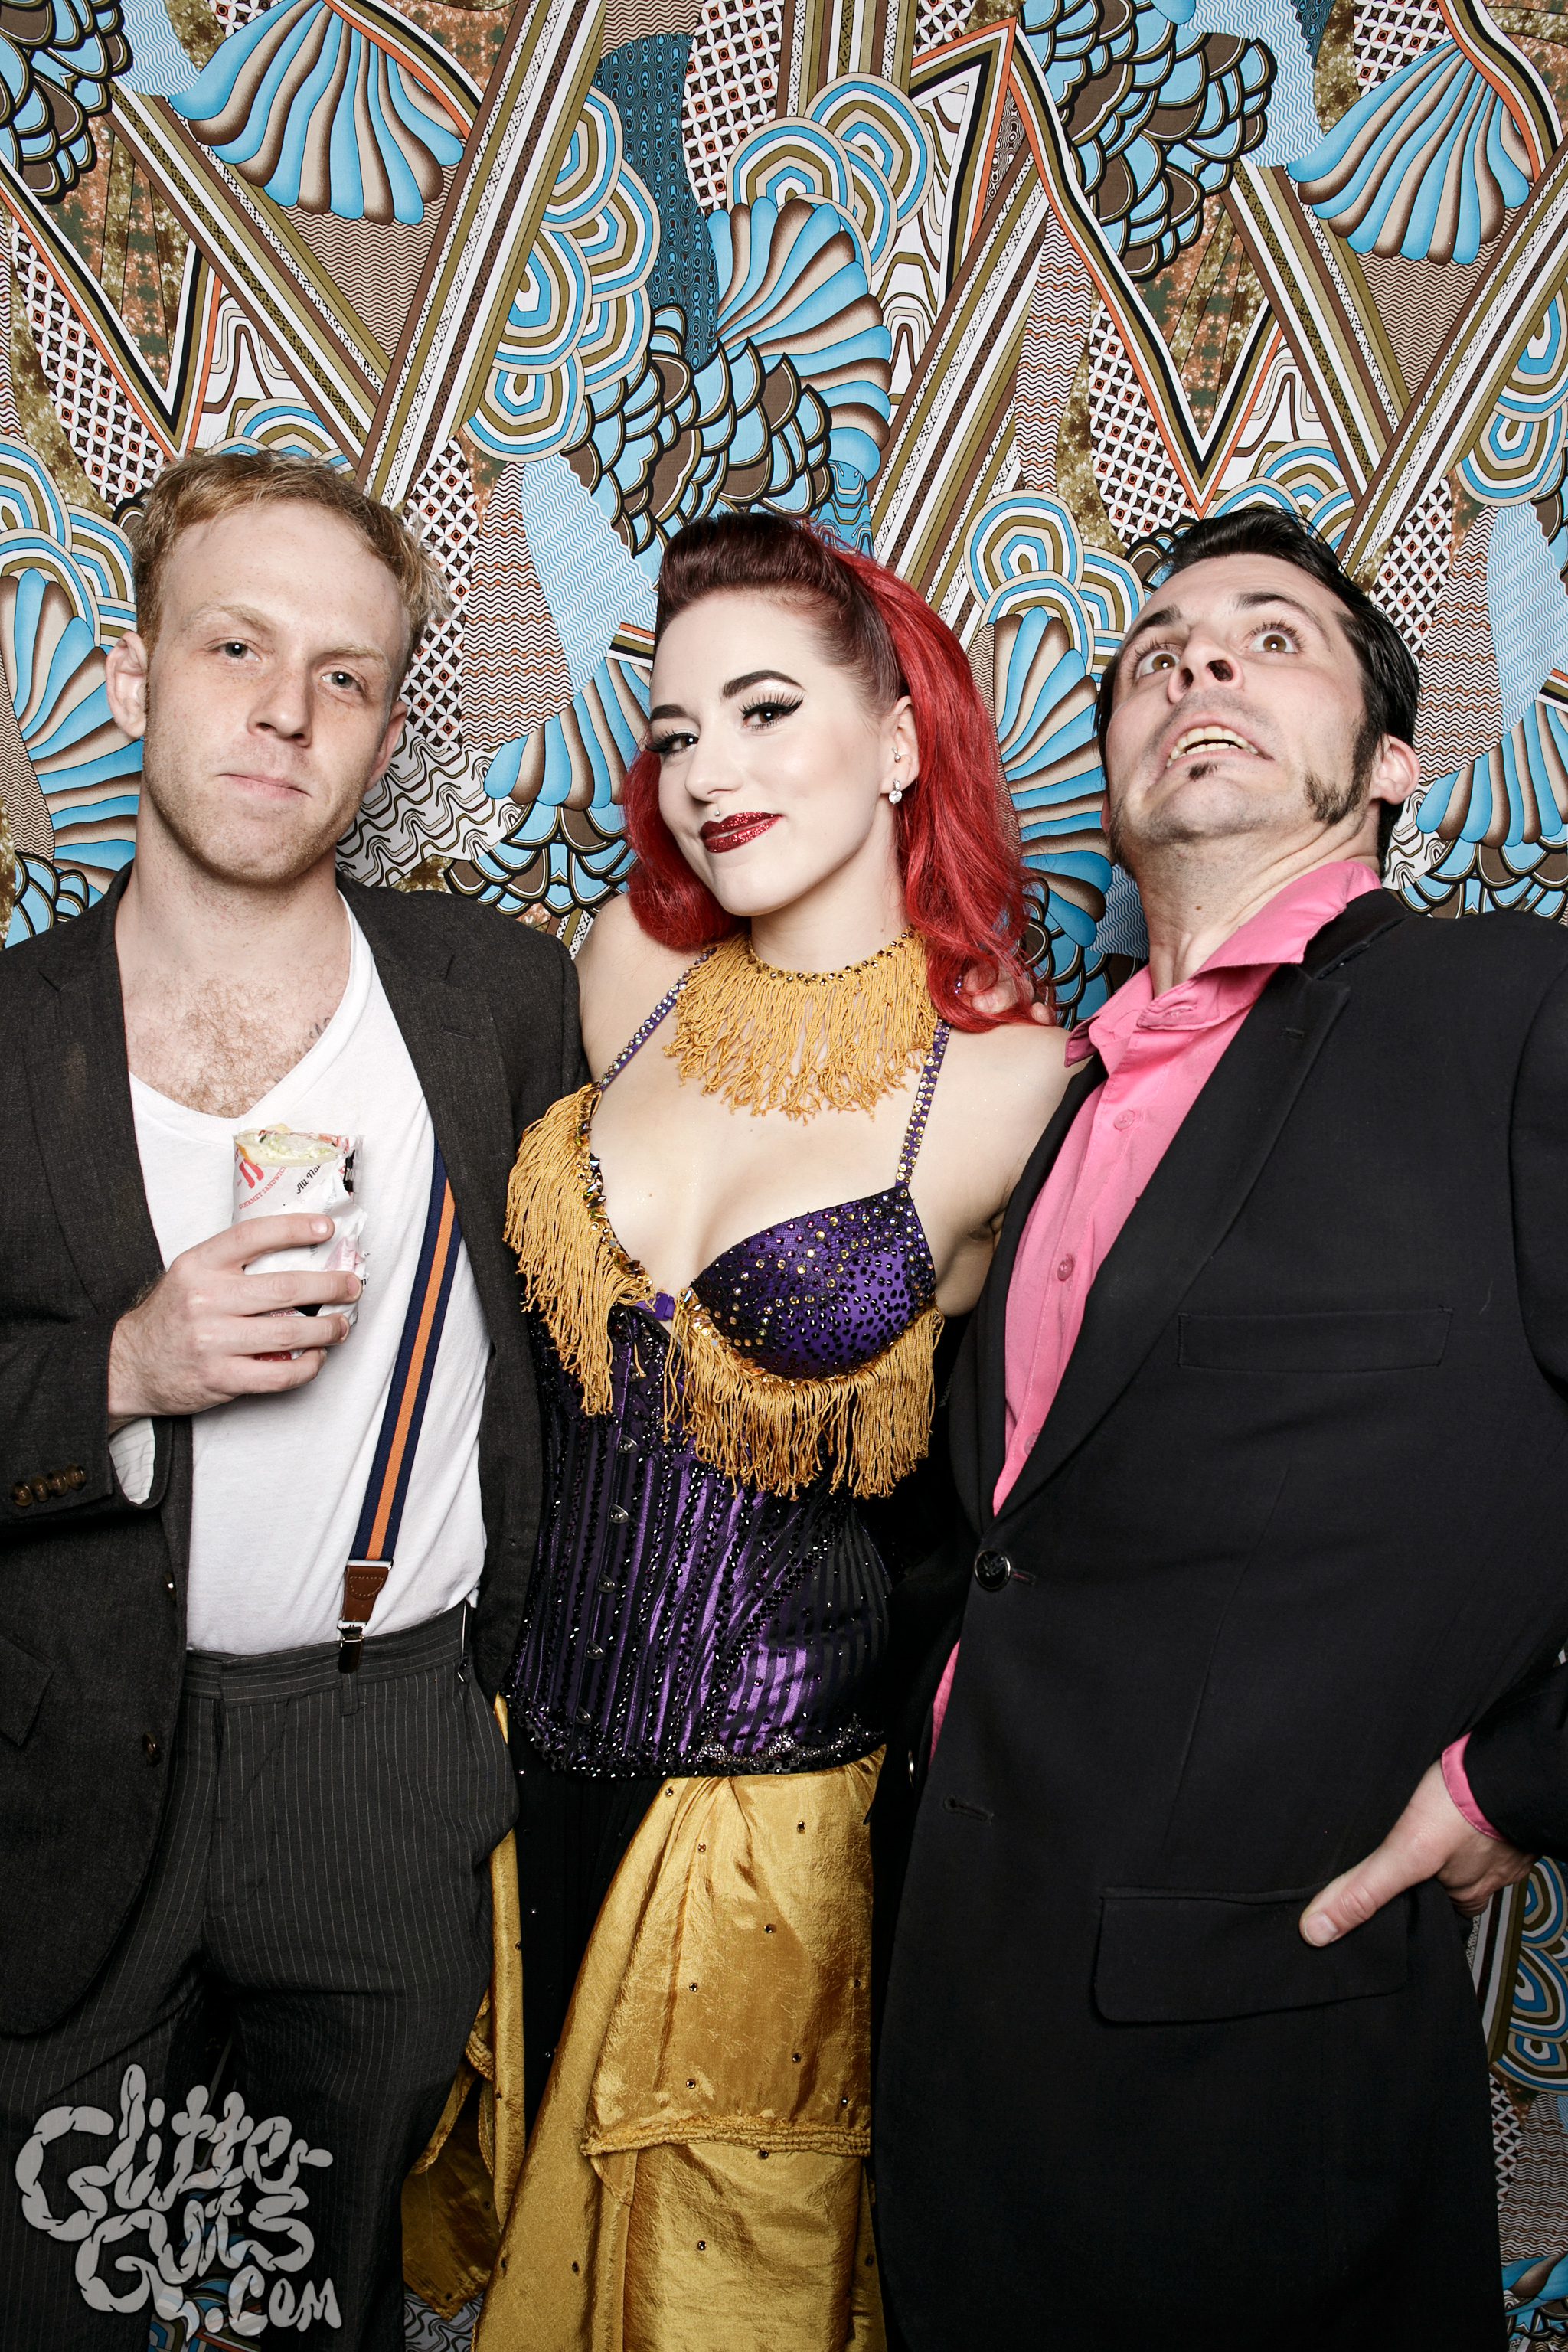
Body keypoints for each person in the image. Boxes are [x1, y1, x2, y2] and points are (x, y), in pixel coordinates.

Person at [867, 502, 1568, 2350]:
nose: (1200, 664)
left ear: (1390, 761)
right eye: (1156, 654)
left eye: (1273, 639)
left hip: (1266, 2081)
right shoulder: (1057, 1092)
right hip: (958, 2039)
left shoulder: (1511, 1013)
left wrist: (1523, 1778)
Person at [443, 513, 1067, 2348]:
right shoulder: (619, 975)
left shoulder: (1018, 1077)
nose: (708, 770)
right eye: (675, 730)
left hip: (770, 1827)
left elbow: (1055, 1480)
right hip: (513, 1777)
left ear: (898, 741)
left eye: (765, 709)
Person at [0, 447, 583, 2350]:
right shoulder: (8, 1037)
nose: (286, 709)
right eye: (234, 645)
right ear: (130, 677)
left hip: (382, 1754)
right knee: (56, 2296)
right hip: (70, 1765)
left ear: (387, 730)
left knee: (311, 2309)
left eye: (345, 674)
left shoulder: (498, 998)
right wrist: (123, 1368)